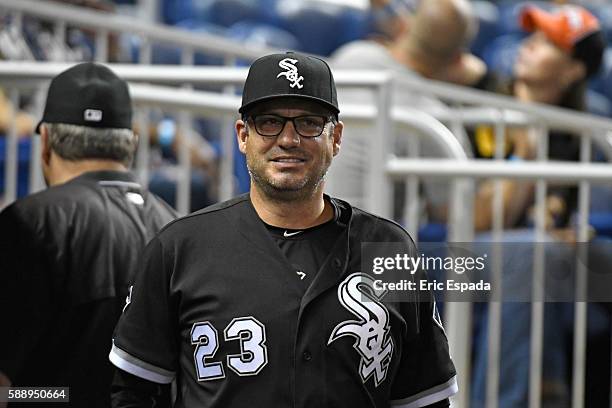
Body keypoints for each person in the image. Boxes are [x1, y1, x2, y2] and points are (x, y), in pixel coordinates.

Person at [109, 51, 457, 408]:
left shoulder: (390, 249)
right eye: (269, 122)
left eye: (308, 123)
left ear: (335, 138)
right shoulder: (179, 248)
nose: (288, 139)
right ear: (243, 135)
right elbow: (134, 392)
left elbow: (425, 399)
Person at [0, 62, 177, 407]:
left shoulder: (30, 221)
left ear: (47, 141)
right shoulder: (178, 226)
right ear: (132, 143)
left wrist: (46, 398)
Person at [470, 5, 608, 408]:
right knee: (532, 254)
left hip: (546, 260)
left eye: (548, 43)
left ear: (573, 72)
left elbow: (559, 220)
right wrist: (526, 150)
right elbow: (481, 220)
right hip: (463, 250)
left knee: (550, 258)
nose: (528, 46)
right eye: (533, 36)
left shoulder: (577, 132)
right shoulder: (479, 102)